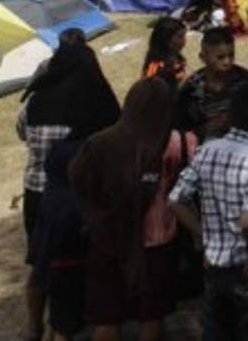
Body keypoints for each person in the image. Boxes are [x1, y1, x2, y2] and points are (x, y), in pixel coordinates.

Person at [18, 29, 120, 340]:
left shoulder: (35, 100)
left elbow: (21, 131)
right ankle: (65, 324)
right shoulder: (93, 103)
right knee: (73, 266)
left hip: (36, 192)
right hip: (77, 198)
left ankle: (33, 324)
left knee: (39, 262)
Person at [70, 79, 184, 341]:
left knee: (107, 317)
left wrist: (99, 213)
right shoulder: (175, 142)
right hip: (157, 240)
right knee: (151, 315)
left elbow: (79, 180)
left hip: (109, 240)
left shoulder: (100, 142)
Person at [169, 82, 248, 341]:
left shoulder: (206, 151)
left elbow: (174, 201)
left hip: (215, 267)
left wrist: (205, 236)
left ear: (230, 115)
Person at [28, 138, 87, 341]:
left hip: (52, 267)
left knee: (58, 321)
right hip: (68, 268)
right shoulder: (75, 204)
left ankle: (39, 330)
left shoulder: (50, 200)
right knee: (64, 326)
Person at [174, 26, 248, 142]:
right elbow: (181, 129)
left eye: (231, 55)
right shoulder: (191, 88)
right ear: (203, 57)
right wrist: (204, 130)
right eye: (220, 57)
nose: (227, 62)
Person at [143, 16, 189, 88]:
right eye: (180, 36)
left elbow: (180, 82)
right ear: (166, 39)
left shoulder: (178, 59)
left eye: (184, 36)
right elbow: (148, 85)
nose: (184, 41)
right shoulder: (155, 66)